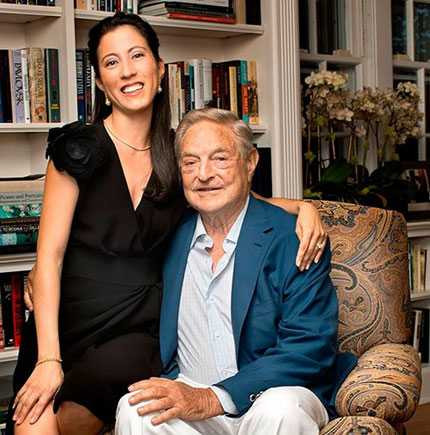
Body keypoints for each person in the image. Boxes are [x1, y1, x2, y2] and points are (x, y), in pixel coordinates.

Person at [11, 13, 327, 435]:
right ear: (100, 82)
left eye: (137, 56)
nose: (127, 71)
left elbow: (230, 189)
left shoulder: (179, 152)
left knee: (106, 409)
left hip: (138, 330)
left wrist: (304, 207)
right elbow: (48, 259)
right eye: (111, 62)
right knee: (34, 416)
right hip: (68, 321)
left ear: (160, 69)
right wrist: (49, 360)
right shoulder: (78, 150)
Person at [115, 108, 357, 435]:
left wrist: (214, 397)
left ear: (250, 161)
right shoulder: (168, 234)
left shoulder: (295, 239)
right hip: (191, 391)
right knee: (136, 409)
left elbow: (309, 346)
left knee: (280, 410)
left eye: (220, 159)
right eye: (190, 162)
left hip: (271, 393)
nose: (203, 174)